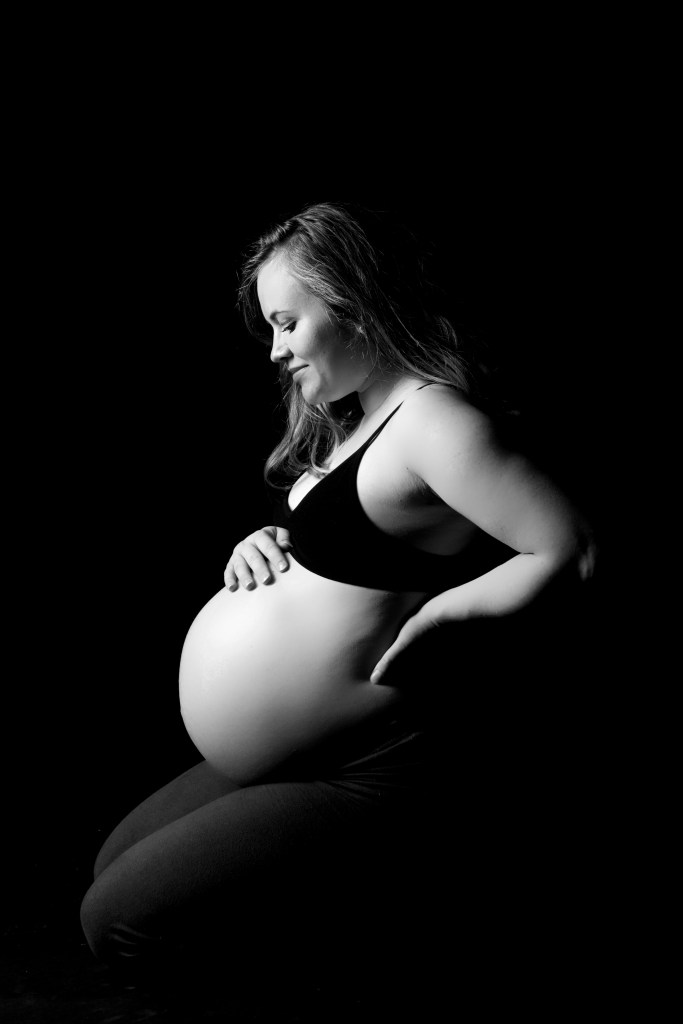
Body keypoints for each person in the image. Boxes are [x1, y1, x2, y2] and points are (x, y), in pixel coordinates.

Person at [80, 201, 597, 1009]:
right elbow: (355, 549)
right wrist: (266, 544)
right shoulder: (361, 424)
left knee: (121, 918)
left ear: (353, 299)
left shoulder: (434, 419)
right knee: (115, 865)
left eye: (287, 322)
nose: (278, 350)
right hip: (304, 752)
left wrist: (443, 617)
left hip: (377, 763)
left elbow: (568, 547)